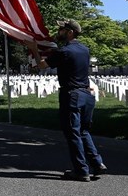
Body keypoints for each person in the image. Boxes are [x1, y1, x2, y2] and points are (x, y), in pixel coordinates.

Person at [24, 18, 107, 182]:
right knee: (83, 131)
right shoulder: (85, 50)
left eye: (62, 30)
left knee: (73, 134)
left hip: (72, 95)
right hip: (86, 94)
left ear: (70, 32)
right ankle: (97, 164)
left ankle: (81, 170)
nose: (59, 32)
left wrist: (34, 49)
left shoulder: (64, 52)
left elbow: (41, 65)